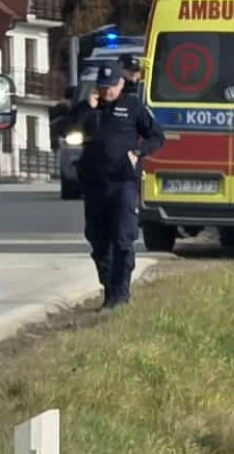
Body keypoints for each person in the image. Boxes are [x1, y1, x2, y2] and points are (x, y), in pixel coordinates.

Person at [67, 60, 164, 309]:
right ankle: (110, 291)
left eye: (111, 86)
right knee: (99, 242)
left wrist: (137, 152)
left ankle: (121, 296)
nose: (107, 91)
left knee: (122, 239)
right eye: (102, 86)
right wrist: (85, 109)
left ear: (121, 84)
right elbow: (67, 129)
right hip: (95, 185)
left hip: (123, 183)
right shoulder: (89, 108)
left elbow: (157, 136)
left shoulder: (132, 106)